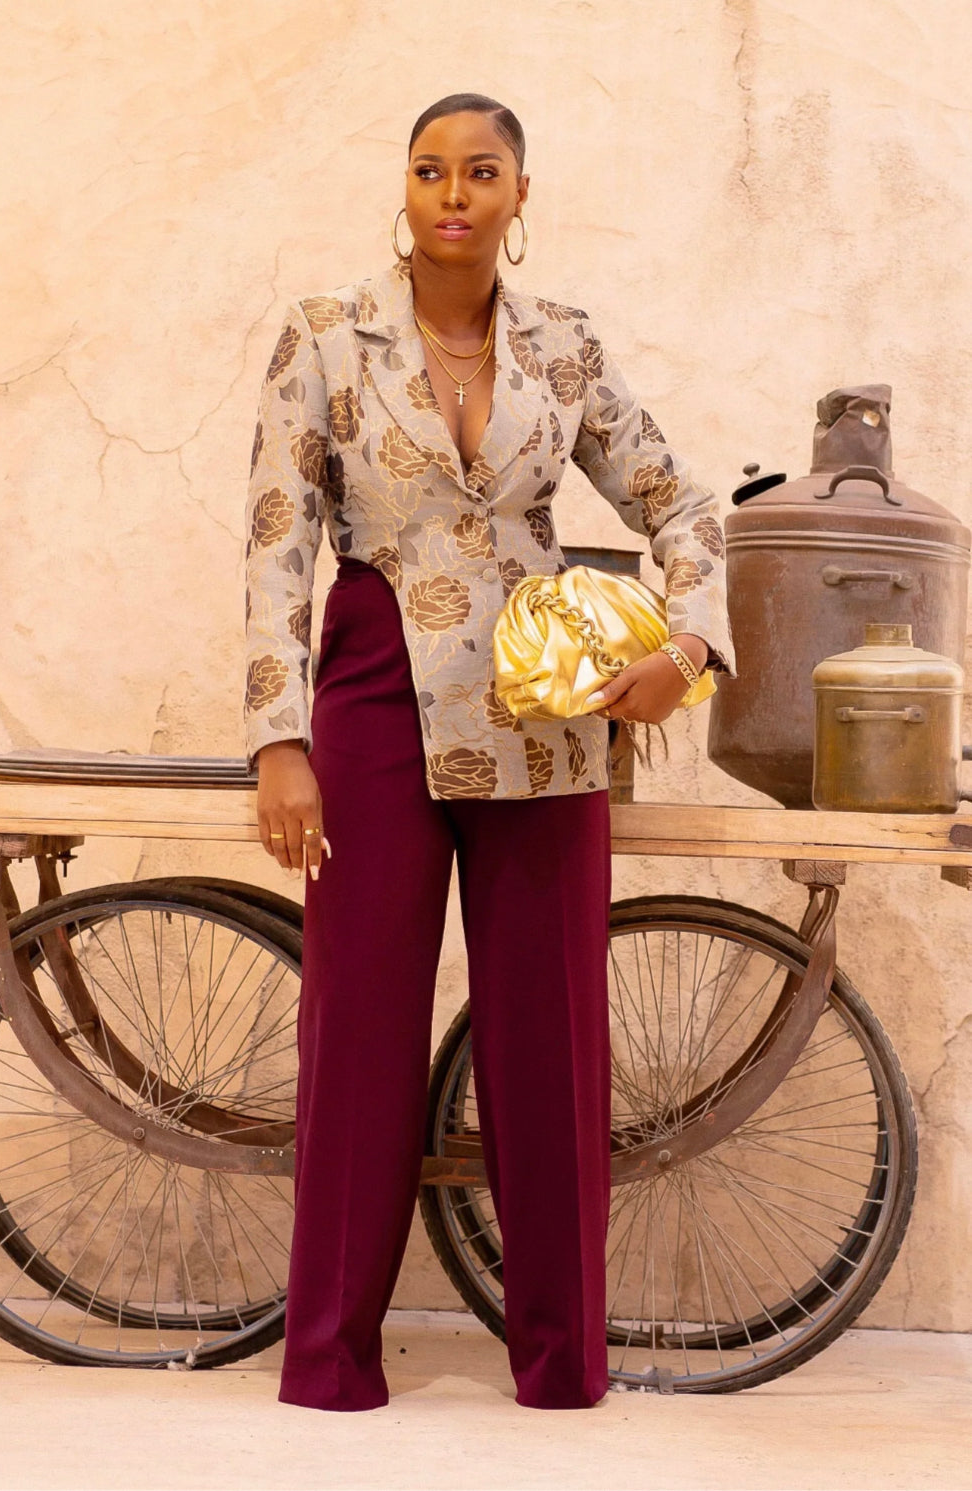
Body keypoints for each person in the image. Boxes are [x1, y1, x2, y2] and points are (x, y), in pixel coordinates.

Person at [244, 92, 735, 1411]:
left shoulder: (564, 348)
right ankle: (330, 1362)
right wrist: (277, 739)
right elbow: (278, 544)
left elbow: (685, 505)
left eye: (479, 172)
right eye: (429, 170)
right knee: (359, 1030)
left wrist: (687, 648)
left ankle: (563, 1368)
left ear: (520, 195)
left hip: (544, 708)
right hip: (372, 685)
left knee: (550, 1042)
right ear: (403, 190)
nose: (452, 193)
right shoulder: (323, 336)